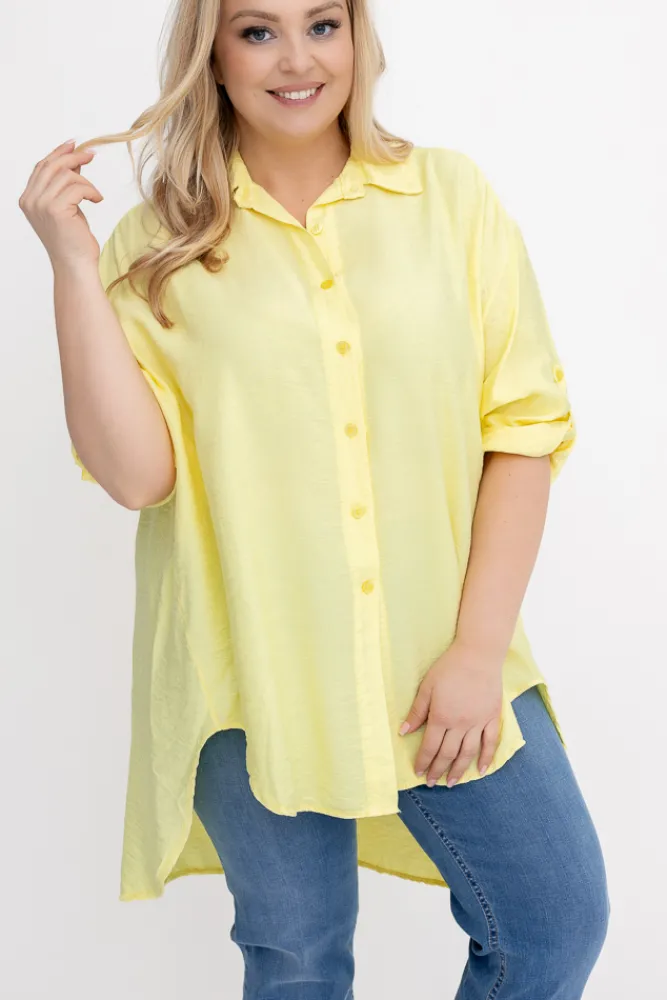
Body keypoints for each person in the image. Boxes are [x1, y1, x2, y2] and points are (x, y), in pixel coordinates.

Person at [20, 0, 610, 996]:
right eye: (257, 31)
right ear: (211, 54)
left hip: (439, 655)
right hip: (250, 669)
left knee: (552, 920)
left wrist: (476, 652)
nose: (296, 59)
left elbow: (521, 430)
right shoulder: (156, 244)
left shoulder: (449, 199)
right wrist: (74, 267)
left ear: (357, 37)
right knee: (296, 957)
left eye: (322, 24)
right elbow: (136, 475)